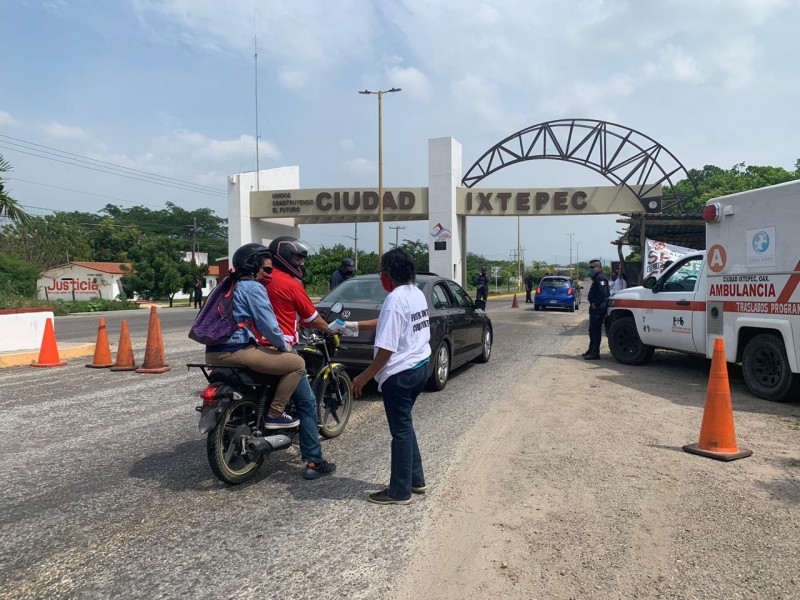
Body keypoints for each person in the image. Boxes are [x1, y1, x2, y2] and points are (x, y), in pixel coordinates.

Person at [345, 248, 431, 505]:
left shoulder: (395, 299)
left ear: (390, 273)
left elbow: (387, 349)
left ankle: (399, 491)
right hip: (420, 367)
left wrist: (364, 376)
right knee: (405, 426)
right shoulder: (415, 293)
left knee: (400, 432)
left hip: (400, 375)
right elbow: (386, 319)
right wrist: (353, 326)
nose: (381, 276)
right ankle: (416, 479)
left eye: (383, 271)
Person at [205, 244, 304, 428]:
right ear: (253, 266)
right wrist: (283, 346)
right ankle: (275, 414)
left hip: (211, 353)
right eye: (266, 269)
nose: (268, 274)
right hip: (237, 351)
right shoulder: (253, 287)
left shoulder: (225, 285)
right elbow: (269, 325)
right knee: (297, 364)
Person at [265, 236, 337, 480]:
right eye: (297, 257)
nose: (300, 263)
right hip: (282, 349)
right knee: (307, 402)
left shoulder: (254, 281)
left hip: (250, 348)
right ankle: (314, 461)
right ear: (283, 255)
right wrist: (330, 329)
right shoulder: (290, 283)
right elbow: (311, 318)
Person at [583, 259, 610, 361]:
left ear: (598, 267)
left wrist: (596, 303)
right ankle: (591, 350)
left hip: (598, 308)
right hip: (595, 308)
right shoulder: (597, 278)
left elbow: (604, 293)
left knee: (595, 330)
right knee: (592, 330)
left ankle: (595, 353)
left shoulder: (601, 278)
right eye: (589, 267)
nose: (590, 269)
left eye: (592, 267)